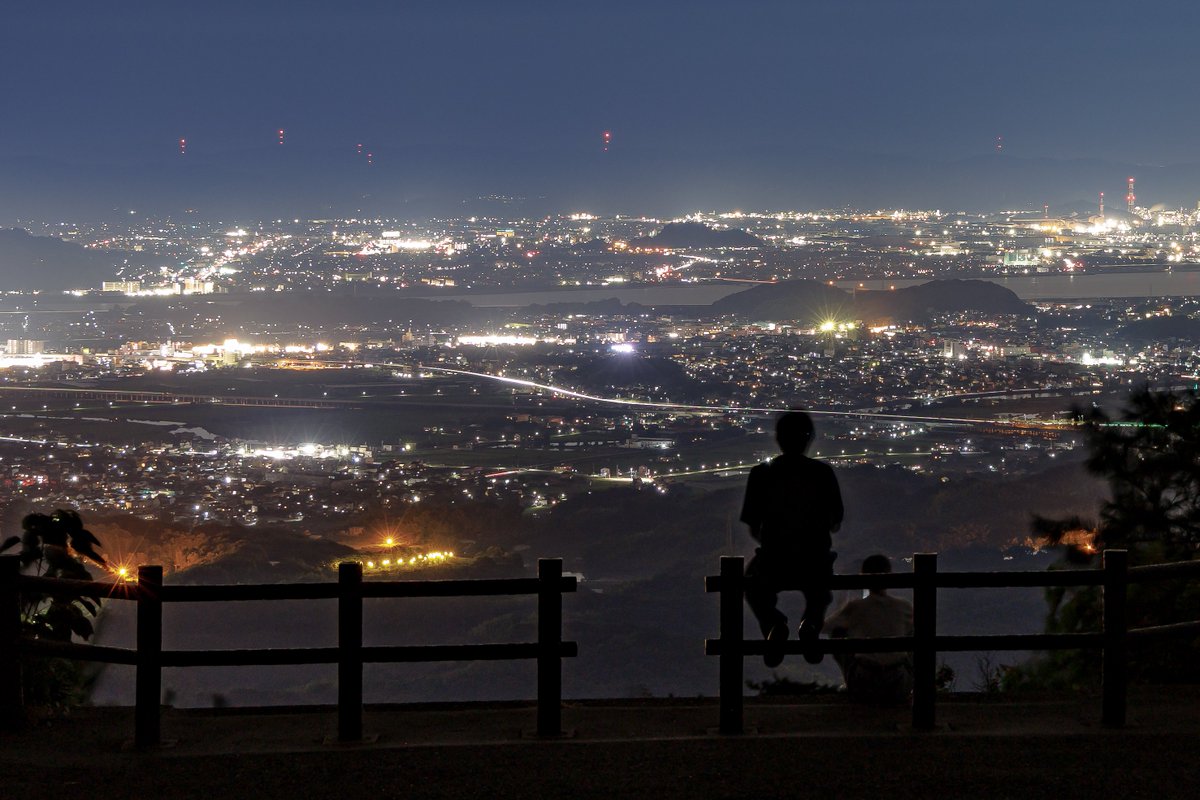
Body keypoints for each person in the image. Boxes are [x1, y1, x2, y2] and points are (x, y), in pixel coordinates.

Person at [740, 410, 843, 668]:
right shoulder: (822, 473)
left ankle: (774, 625)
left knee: (752, 587)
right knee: (819, 595)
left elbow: (754, 527)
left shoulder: (760, 474)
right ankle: (810, 624)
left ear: (778, 438)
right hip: (815, 557)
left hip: (774, 557)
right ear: (809, 438)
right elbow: (835, 522)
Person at [825, 554, 914, 704]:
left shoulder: (855, 607)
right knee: (913, 634)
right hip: (898, 685)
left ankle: (848, 681)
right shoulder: (903, 606)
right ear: (890, 576)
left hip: (863, 686)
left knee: (838, 632)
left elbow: (827, 627)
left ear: (863, 577)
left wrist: (851, 623)